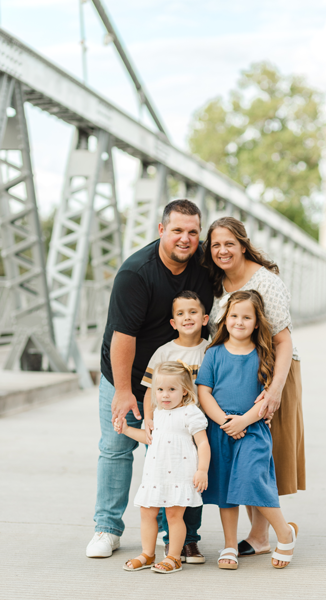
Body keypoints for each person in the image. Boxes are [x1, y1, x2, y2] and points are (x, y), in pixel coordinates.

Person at [86, 199, 213, 559]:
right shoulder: (136, 273)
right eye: (177, 231)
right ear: (161, 230)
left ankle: (177, 533)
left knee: (181, 451)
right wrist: (124, 391)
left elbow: (237, 270)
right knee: (116, 447)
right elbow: (122, 335)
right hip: (127, 373)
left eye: (192, 232)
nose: (185, 239)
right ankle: (107, 528)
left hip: (180, 382)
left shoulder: (204, 263)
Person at [202, 216, 305, 557]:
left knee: (260, 457)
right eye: (216, 245)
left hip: (270, 375)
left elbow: (284, 340)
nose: (222, 250)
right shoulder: (216, 284)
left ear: (243, 245)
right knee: (239, 459)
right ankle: (261, 535)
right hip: (230, 379)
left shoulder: (266, 282)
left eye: (229, 243)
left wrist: (275, 389)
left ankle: (264, 533)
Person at [196, 290, 298, 569]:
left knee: (253, 480)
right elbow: (204, 392)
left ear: (256, 323)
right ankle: (229, 545)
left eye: (246, 317)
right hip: (221, 431)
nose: (239, 322)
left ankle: (284, 534)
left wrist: (243, 421)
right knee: (226, 490)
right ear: (225, 319)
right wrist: (224, 422)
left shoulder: (264, 354)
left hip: (252, 430)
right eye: (234, 316)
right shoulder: (214, 354)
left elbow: (267, 396)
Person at [114, 361, 210, 574]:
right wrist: (127, 429)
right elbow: (149, 439)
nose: (165, 395)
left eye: (171, 389)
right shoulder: (156, 413)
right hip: (155, 475)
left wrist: (202, 470)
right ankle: (147, 553)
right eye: (160, 390)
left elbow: (203, 443)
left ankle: (174, 557)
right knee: (147, 514)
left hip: (179, 474)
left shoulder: (190, 413)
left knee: (174, 517)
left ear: (184, 392)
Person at [141, 290, 209, 562]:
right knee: (159, 484)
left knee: (190, 486)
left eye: (192, 312)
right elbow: (149, 389)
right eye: (180, 313)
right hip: (166, 427)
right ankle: (168, 542)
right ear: (173, 322)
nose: (187, 317)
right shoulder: (164, 351)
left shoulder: (211, 349)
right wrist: (149, 417)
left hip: (195, 429)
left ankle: (189, 541)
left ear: (204, 318)